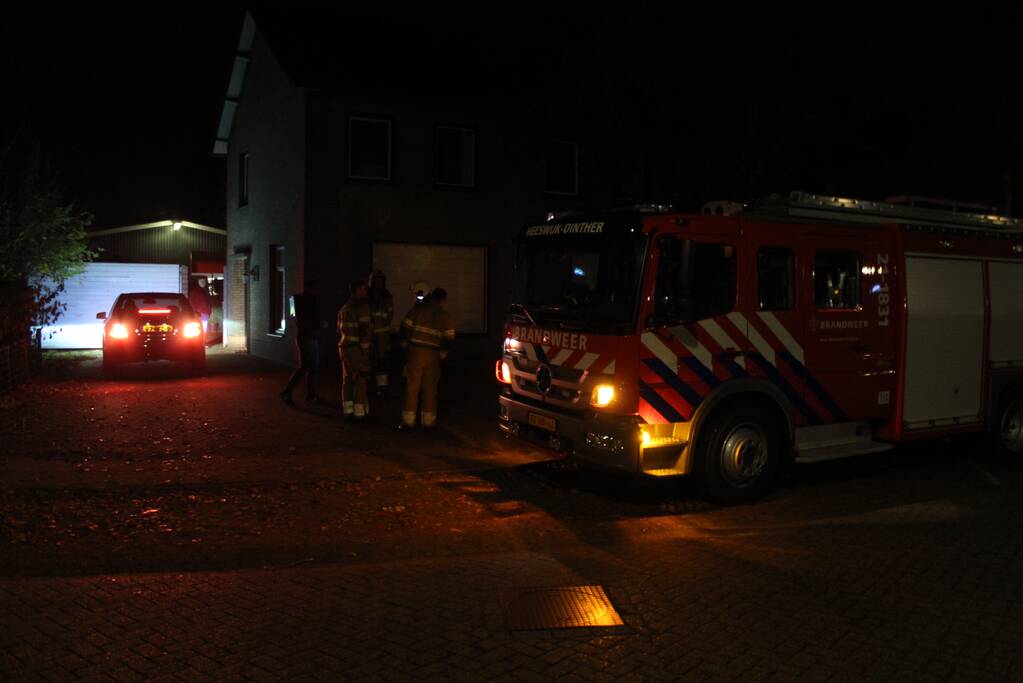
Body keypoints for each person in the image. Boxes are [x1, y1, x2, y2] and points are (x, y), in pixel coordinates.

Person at [398, 287, 455, 431]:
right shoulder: (446, 317)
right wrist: (441, 355)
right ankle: (428, 423)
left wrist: (405, 347)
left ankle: (408, 423)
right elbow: (449, 340)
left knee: (412, 387)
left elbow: (405, 328)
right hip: (433, 355)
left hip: (415, 352)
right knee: (430, 389)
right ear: (443, 300)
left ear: (430, 296)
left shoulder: (418, 310)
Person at [279, 281, 322, 406]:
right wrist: (318, 324)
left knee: (309, 366)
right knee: (307, 366)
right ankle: (288, 392)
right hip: (308, 336)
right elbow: (306, 319)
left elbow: (296, 317)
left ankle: (310, 394)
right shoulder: (311, 300)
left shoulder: (295, 299)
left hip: (306, 336)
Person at [337, 278, 373, 421]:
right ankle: (360, 413)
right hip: (357, 348)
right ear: (358, 290)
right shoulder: (362, 307)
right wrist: (365, 351)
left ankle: (348, 409)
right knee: (360, 379)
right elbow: (365, 331)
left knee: (347, 379)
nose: (366, 291)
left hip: (344, 347)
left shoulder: (343, 309)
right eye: (364, 289)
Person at [368, 270, 394, 395]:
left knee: (382, 360)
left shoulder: (387, 296)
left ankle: (382, 387)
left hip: (382, 335)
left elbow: (389, 313)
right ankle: (366, 386)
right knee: (367, 360)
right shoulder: (366, 295)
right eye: (376, 281)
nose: (378, 283)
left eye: (380, 281)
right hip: (368, 335)